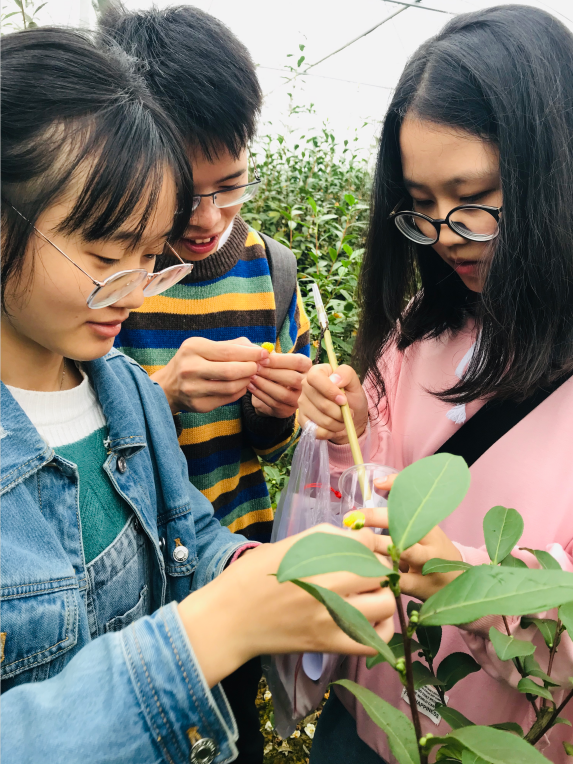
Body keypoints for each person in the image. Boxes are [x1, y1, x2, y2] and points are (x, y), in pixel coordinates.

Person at [0, 27, 396, 764]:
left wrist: (268, 569)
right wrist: (215, 626)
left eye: (153, 257)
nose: (135, 290)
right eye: (106, 255)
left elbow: (187, 534)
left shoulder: (123, 392)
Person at [299, 5, 573, 763]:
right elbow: (373, 488)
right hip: (369, 715)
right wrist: (347, 433)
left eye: (474, 196)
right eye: (421, 205)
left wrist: (469, 586)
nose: (447, 234)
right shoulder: (419, 328)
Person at [99, 5, 311, 546]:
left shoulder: (274, 271)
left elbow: (272, 450)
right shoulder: (106, 283)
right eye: (183, 195)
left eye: (231, 186)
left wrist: (275, 411)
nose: (209, 219)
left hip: (245, 548)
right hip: (138, 564)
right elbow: (69, 457)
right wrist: (162, 394)